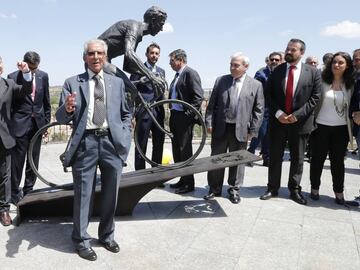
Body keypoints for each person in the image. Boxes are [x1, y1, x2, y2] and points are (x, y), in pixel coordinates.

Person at [55, 39, 132, 261]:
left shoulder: (116, 82)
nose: (96, 57)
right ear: (84, 58)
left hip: (112, 143)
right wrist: (67, 108)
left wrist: (124, 135)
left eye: (99, 53)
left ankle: (107, 236)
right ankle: (81, 239)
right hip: (85, 145)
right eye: (91, 53)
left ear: (105, 56)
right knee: (83, 194)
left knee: (111, 193)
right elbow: (61, 117)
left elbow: (126, 112)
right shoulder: (72, 83)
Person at [260, 38, 321, 205]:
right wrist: (279, 113)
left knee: (298, 158)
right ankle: (272, 188)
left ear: (301, 53)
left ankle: (294, 189)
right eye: (287, 48)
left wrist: (297, 115)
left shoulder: (313, 73)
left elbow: (315, 97)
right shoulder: (277, 71)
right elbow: (269, 95)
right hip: (278, 122)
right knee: (275, 156)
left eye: (293, 49)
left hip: (300, 123)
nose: (288, 52)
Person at [204, 52, 264, 203]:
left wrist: (253, 130)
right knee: (217, 159)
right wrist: (209, 123)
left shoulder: (255, 85)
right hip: (221, 128)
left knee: (237, 160)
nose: (232, 68)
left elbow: (259, 110)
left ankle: (234, 189)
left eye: (236, 65)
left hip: (242, 130)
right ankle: (214, 188)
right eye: (231, 64)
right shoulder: (221, 81)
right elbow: (211, 106)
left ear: (246, 67)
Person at [309, 52, 354, 204]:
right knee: (317, 160)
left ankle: (339, 193)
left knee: (337, 163)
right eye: (334, 62)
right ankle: (314, 189)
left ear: (347, 65)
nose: (336, 65)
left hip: (341, 129)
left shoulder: (351, 84)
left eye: (341, 63)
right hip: (320, 126)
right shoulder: (322, 81)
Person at [98, 6, 167, 102]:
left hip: (104, 59)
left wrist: (146, 76)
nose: (162, 29)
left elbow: (127, 66)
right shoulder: (134, 27)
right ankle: (123, 116)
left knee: (131, 89)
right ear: (153, 20)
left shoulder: (137, 35)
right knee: (130, 89)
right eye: (161, 24)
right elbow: (129, 53)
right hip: (98, 59)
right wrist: (151, 76)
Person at [8, 51, 51, 204]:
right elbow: (10, 105)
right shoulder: (13, 77)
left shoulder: (43, 76)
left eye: (36, 68)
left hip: (37, 126)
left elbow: (46, 102)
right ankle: (14, 193)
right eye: (31, 68)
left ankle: (29, 190)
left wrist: (46, 124)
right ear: (25, 63)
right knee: (17, 161)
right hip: (19, 125)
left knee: (33, 160)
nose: (34, 71)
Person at [0, 57, 32, 226]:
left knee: (4, 175)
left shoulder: (8, 84)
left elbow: (26, 89)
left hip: (3, 137)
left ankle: (3, 209)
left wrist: (26, 72)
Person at [168, 49, 204, 194]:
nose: (170, 64)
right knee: (177, 150)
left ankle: (189, 183)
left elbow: (198, 97)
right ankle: (182, 179)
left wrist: (188, 115)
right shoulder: (177, 75)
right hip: (175, 116)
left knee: (185, 151)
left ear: (180, 60)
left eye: (171, 61)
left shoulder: (190, 73)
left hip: (184, 117)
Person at [130, 43, 165, 186]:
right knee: (141, 145)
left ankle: (156, 177)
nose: (154, 56)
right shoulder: (138, 70)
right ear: (146, 54)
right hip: (144, 113)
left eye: (157, 53)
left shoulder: (162, 71)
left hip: (159, 113)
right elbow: (131, 92)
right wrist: (132, 114)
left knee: (158, 144)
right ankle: (140, 177)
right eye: (152, 53)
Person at [248, 52, 282, 166]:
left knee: (269, 134)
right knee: (260, 132)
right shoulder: (261, 73)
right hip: (264, 108)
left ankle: (266, 157)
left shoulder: (283, 72)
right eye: (272, 59)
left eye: (277, 60)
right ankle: (250, 154)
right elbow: (257, 90)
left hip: (277, 109)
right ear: (268, 61)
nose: (274, 62)